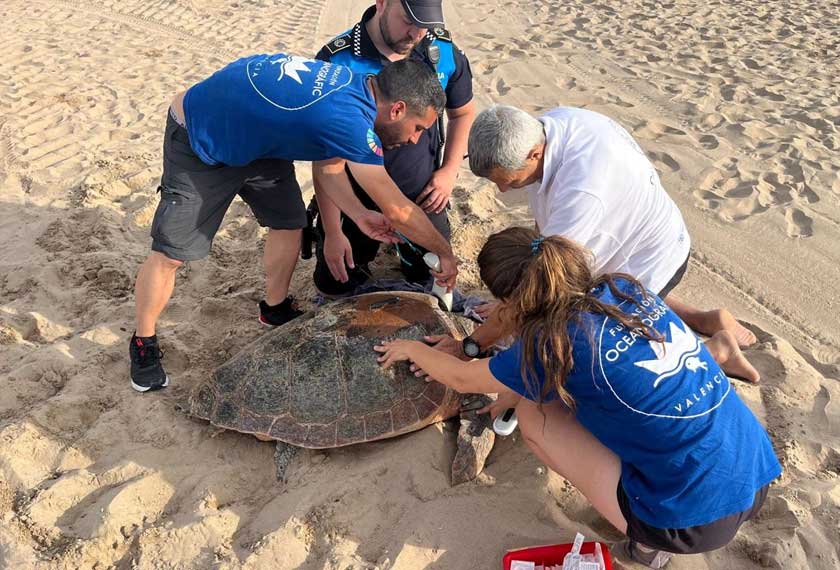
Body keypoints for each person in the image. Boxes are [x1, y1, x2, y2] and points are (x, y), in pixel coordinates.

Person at [374, 227, 781, 569]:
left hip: (691, 523)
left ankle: (646, 547)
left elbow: (463, 379)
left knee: (534, 415)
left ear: (513, 302)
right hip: (756, 472)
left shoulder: (551, 342)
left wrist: (414, 350)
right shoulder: (621, 287)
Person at [129, 54, 459, 392]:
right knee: (172, 253)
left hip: (259, 142)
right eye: (419, 128)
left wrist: (358, 216)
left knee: (290, 223)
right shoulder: (348, 119)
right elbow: (398, 209)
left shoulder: (356, 89)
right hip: (200, 138)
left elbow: (330, 169)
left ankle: (274, 308)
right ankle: (143, 341)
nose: (417, 139)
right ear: (398, 109)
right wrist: (444, 253)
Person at [431, 105, 757, 384]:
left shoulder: (581, 191)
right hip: (626, 244)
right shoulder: (548, 126)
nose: (502, 190)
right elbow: (545, 238)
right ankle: (704, 319)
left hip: (655, 255)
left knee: (606, 362)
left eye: (507, 179)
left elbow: (541, 288)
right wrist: (504, 312)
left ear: (534, 153)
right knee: (604, 286)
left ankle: (716, 351)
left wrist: (470, 346)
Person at [311, 0, 475, 295]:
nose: (415, 34)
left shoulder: (441, 52)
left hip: (421, 194)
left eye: (424, 25)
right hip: (355, 199)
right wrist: (333, 231)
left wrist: (449, 171)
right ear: (382, 3)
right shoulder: (337, 61)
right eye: (407, 21)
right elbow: (325, 159)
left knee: (432, 280)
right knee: (334, 283)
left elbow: (462, 112)